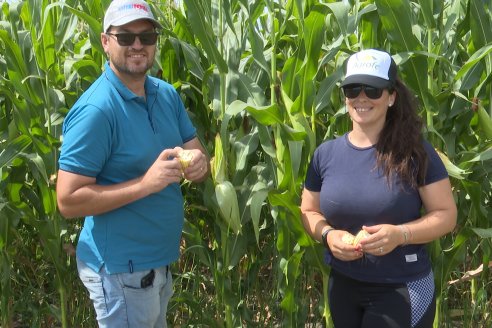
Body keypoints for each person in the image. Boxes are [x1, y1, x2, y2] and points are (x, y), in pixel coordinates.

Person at [56, 0, 209, 327]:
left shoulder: (166, 95)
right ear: (105, 41)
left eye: (147, 36)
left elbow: (197, 154)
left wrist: (198, 164)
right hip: (121, 272)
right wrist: (146, 184)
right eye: (125, 37)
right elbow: (68, 200)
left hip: (157, 265)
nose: (138, 45)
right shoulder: (97, 111)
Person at [300, 49, 457, 328]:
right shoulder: (325, 155)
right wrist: (328, 235)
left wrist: (401, 234)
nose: (361, 97)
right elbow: (308, 210)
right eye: (352, 89)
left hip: (402, 287)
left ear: (392, 96)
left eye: (372, 89)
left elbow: (446, 214)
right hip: (343, 287)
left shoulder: (415, 152)